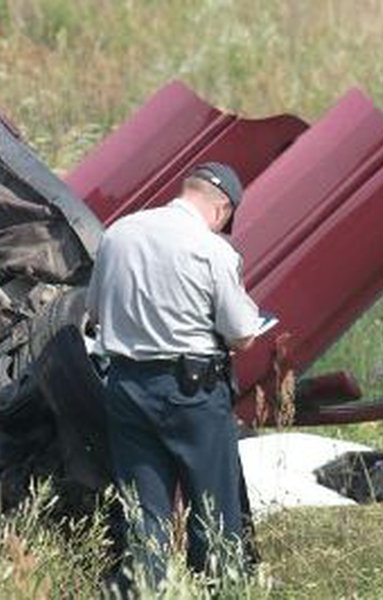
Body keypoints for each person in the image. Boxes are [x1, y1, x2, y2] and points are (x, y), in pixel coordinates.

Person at [86, 162, 260, 587]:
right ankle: (219, 591)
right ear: (222, 210)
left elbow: (93, 314)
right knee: (214, 517)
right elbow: (241, 336)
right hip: (193, 394)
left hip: (127, 387)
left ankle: (140, 592)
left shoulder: (118, 234)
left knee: (143, 519)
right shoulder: (213, 249)